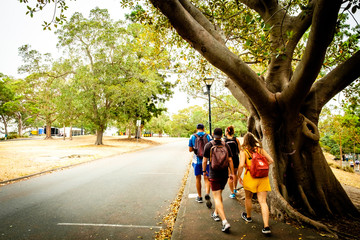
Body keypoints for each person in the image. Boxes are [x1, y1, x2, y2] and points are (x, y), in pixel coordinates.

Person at [238, 132, 274, 235]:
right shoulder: (260, 149)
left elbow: (241, 165)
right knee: (263, 201)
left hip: (250, 177)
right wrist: (262, 166)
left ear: (245, 141)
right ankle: (266, 227)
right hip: (263, 178)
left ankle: (248, 217)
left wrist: (238, 176)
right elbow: (271, 160)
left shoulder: (244, 151)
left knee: (248, 197)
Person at [203, 128, 235, 232]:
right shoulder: (226, 145)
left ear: (213, 134)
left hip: (214, 174)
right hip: (224, 174)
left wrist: (204, 171)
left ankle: (225, 222)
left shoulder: (209, 145)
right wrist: (232, 173)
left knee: (216, 197)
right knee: (219, 195)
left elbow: (204, 160)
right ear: (222, 135)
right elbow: (230, 159)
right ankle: (216, 213)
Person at [189, 123, 212, 207]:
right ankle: (207, 194)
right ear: (203, 128)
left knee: (198, 178)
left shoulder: (192, 136)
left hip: (197, 161)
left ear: (196, 129)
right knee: (207, 179)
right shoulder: (208, 136)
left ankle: (199, 196)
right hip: (207, 161)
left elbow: (190, 149)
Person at [224, 126, 241, 199]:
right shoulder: (236, 140)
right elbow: (240, 150)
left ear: (227, 132)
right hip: (236, 158)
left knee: (230, 175)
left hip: (228, 159)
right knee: (235, 174)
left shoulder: (224, 141)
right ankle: (235, 188)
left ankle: (232, 192)